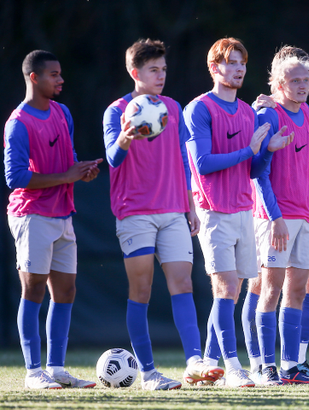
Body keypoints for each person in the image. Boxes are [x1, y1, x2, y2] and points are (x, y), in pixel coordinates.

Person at [102, 38, 223, 391]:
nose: (161, 75)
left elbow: (183, 161)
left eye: (164, 69)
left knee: (182, 285)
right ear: (134, 72)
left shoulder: (171, 107)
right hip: (134, 212)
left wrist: (190, 205)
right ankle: (149, 374)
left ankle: (194, 363)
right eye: (154, 69)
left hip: (173, 211)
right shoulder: (117, 110)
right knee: (141, 289)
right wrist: (125, 138)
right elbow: (112, 158)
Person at [184, 37, 293, 388]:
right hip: (213, 212)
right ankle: (233, 368)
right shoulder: (199, 108)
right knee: (227, 289)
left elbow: (252, 169)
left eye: (242, 63)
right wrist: (250, 149)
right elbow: (203, 164)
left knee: (233, 290)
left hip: (244, 210)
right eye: (231, 63)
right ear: (214, 68)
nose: (238, 69)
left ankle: (206, 365)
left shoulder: (247, 111)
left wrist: (268, 150)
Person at [4, 50, 101, 389]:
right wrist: (65, 176)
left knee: (66, 291)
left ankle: (57, 369)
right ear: (34, 77)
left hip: (63, 214)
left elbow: (69, 161)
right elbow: (14, 178)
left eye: (60, 74)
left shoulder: (63, 112)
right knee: (33, 291)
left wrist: (81, 173)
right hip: (31, 215)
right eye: (53, 75)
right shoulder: (18, 123)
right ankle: (33, 373)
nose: (60, 80)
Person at [241, 46, 309, 385]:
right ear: (278, 83)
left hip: (304, 218)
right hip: (273, 219)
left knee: (297, 291)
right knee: (270, 290)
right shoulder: (268, 115)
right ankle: (264, 366)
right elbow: (257, 172)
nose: (302, 85)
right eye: (294, 80)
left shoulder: (308, 115)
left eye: (306, 79)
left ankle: (292, 366)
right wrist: (274, 217)